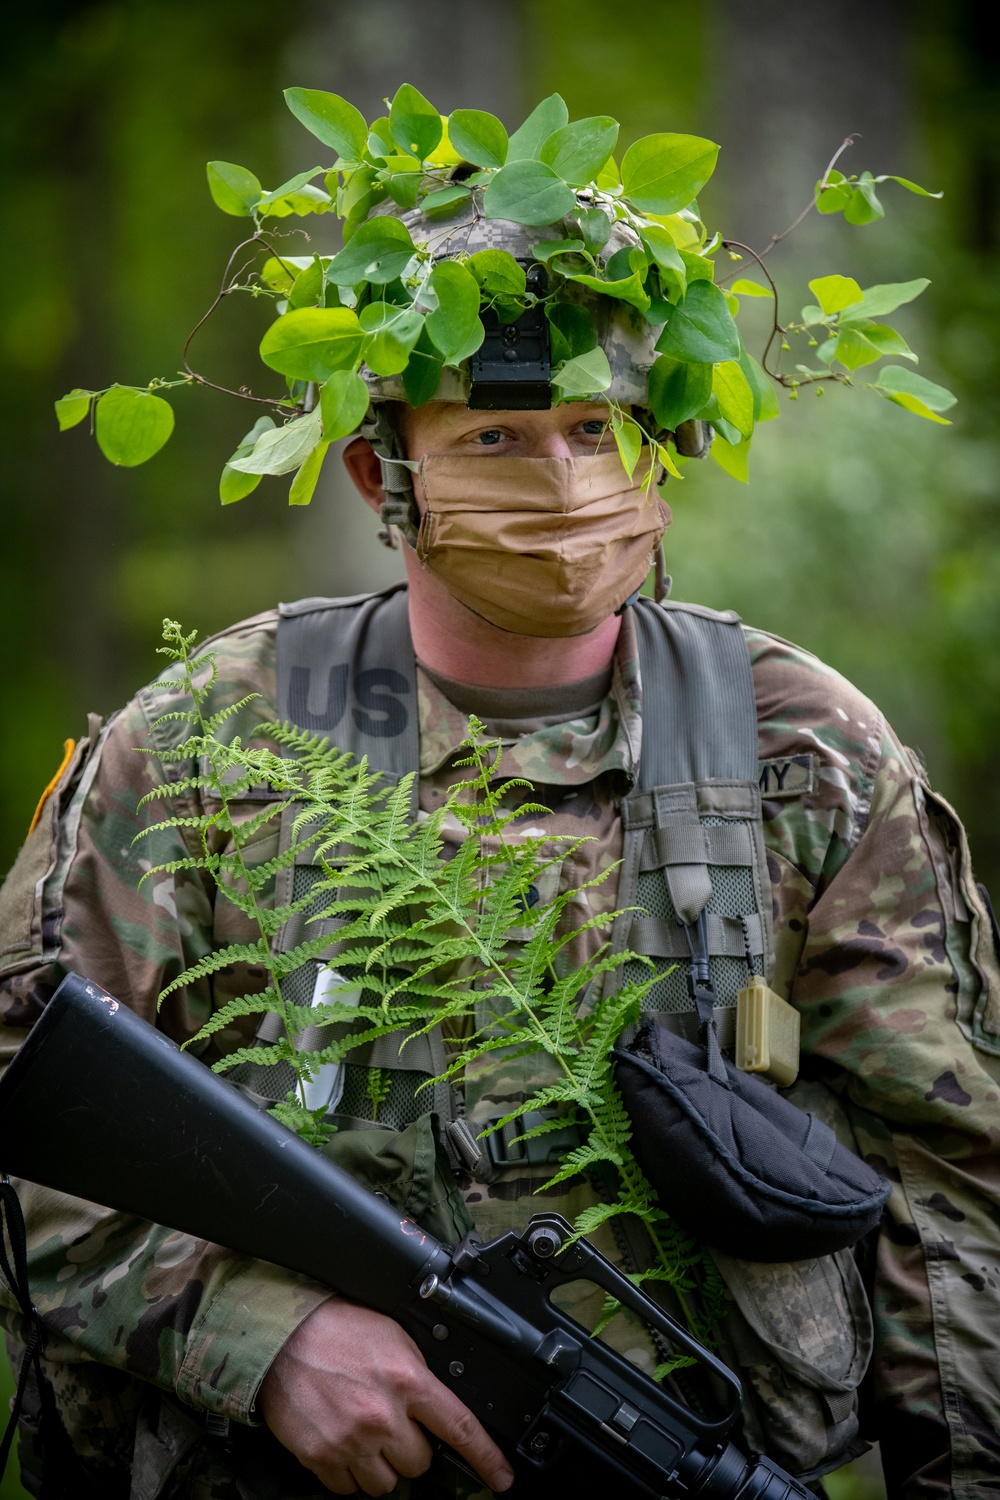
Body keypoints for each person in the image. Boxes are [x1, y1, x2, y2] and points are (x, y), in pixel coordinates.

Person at [1, 189, 999, 1500]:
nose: (565, 481)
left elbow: (951, 1190)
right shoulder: (206, 748)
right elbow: (26, 1119)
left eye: (597, 428)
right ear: (383, 472)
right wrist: (263, 1339)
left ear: (661, 450)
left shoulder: (802, 748)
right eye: (499, 434)